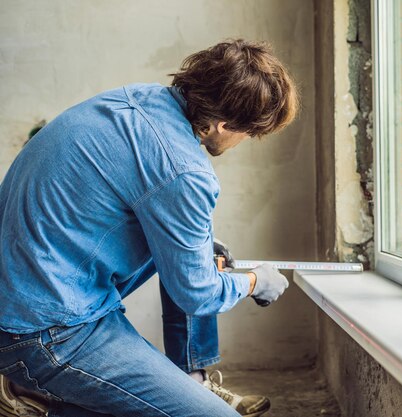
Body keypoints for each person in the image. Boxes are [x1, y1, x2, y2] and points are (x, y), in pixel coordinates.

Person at [0, 39, 299, 417]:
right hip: (42, 330)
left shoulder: (134, 99)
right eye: (249, 134)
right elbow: (198, 295)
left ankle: (192, 381)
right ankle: (35, 386)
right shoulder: (184, 170)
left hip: (28, 290)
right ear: (223, 125)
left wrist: (196, 246)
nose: (245, 141)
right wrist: (256, 282)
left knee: (199, 253)